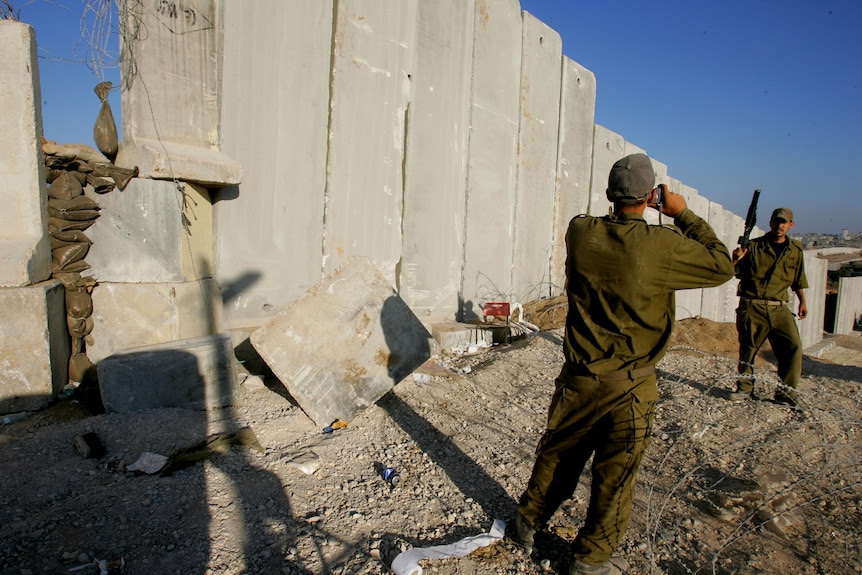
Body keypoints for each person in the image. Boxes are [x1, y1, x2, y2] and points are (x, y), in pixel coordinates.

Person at [508, 153, 734, 575]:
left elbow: (595, 227)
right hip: (630, 385)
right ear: (650, 196)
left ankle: (526, 522)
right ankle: (591, 560)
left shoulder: (581, 232)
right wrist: (682, 214)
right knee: (615, 475)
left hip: (579, 376)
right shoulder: (662, 245)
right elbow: (722, 265)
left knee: (558, 454)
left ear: (610, 194)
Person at [729, 207, 808, 406]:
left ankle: (786, 393)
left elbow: (798, 280)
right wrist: (736, 258)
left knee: (793, 347)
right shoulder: (754, 247)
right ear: (770, 223)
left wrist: (802, 301)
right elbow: (734, 271)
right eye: (776, 221)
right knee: (748, 349)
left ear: (791, 225)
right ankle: (745, 389)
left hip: (779, 307)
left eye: (784, 222)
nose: (779, 226)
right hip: (753, 305)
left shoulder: (795, 251)